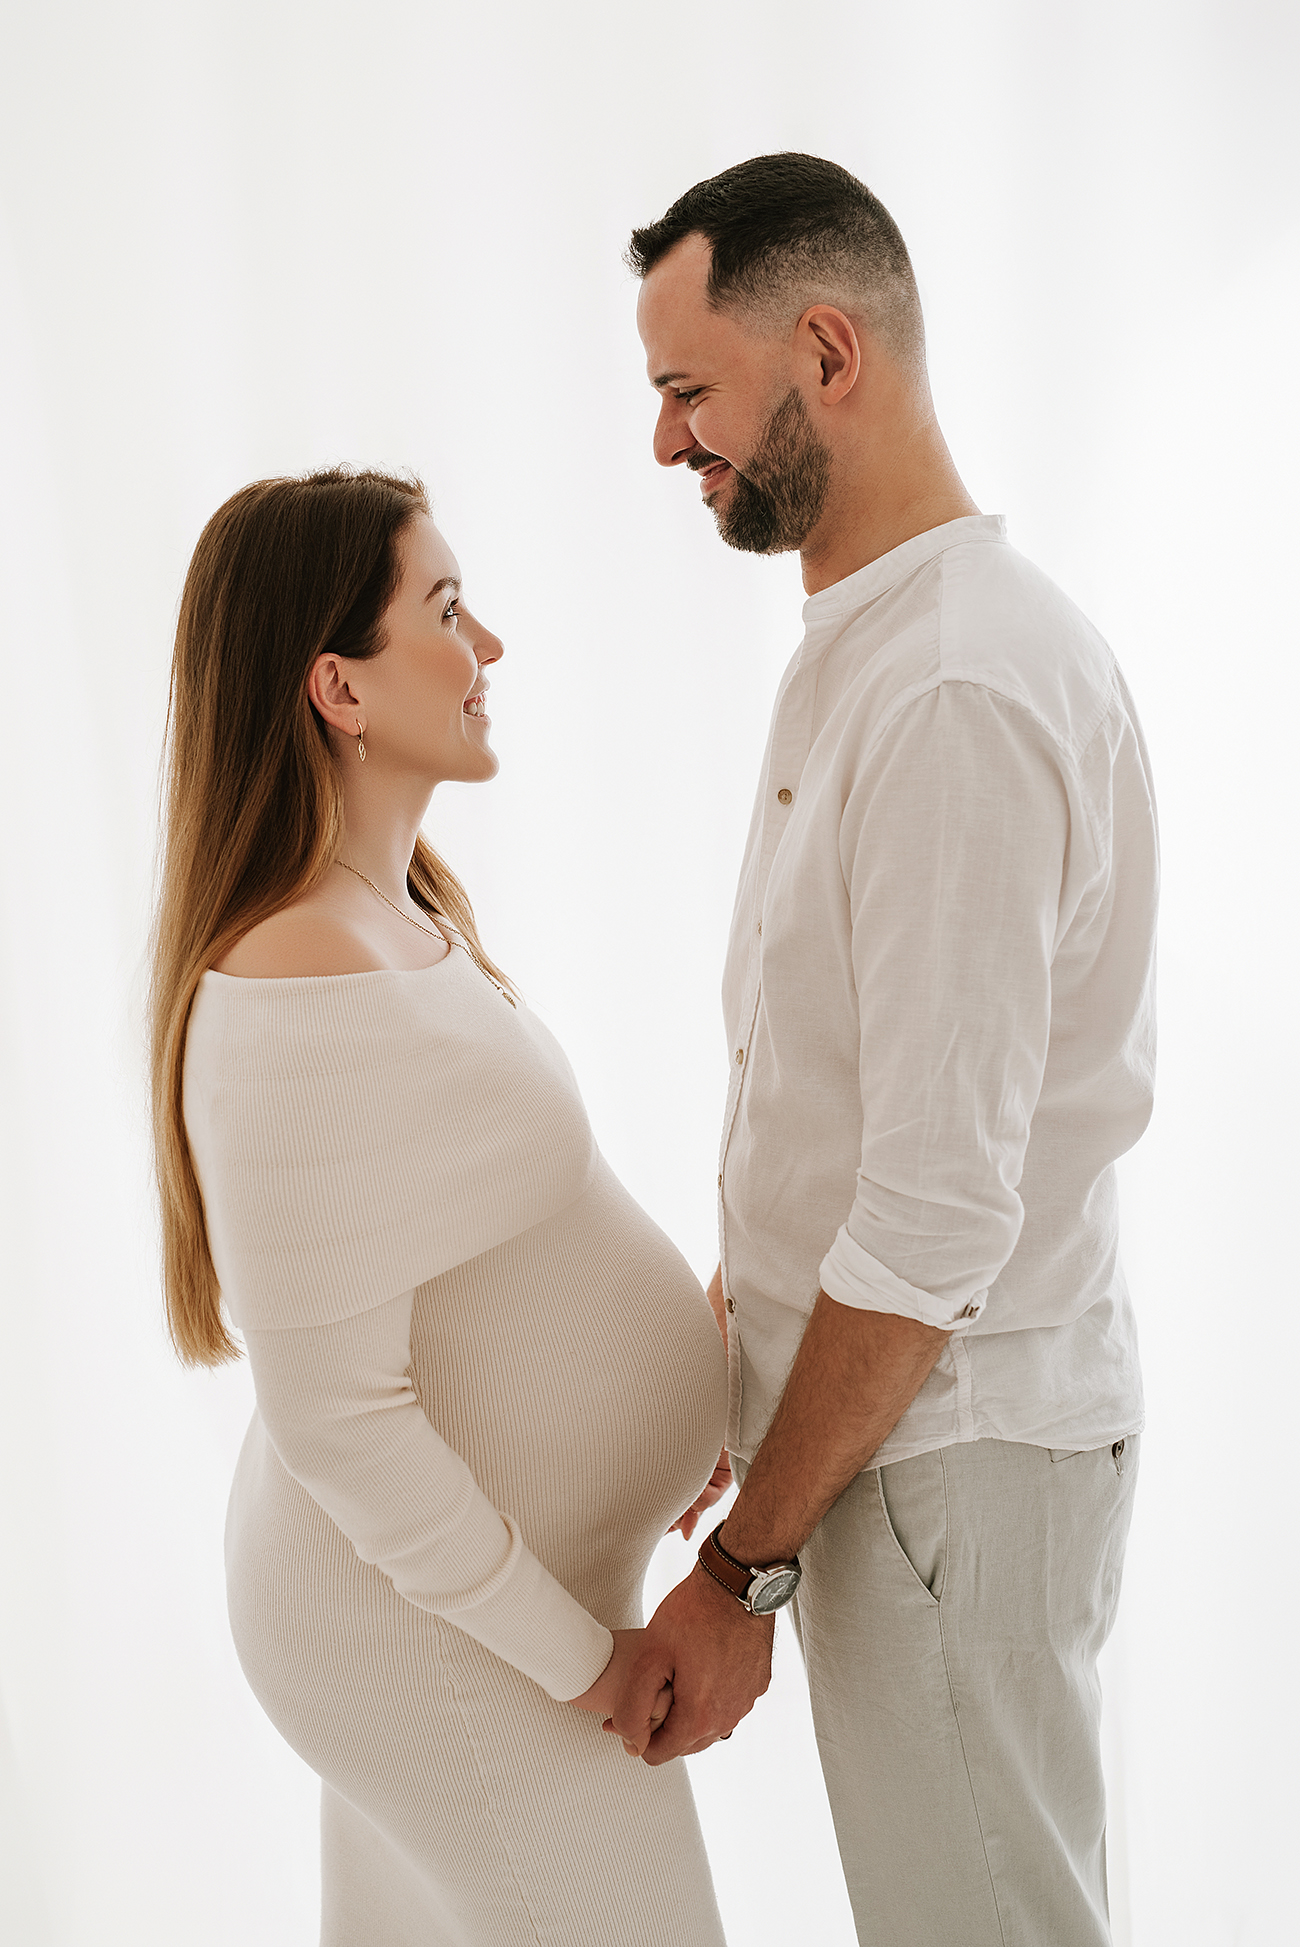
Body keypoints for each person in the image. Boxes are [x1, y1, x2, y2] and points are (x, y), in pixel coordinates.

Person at [609, 154, 1159, 1947]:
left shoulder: (946, 691)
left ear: (828, 352)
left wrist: (739, 1574)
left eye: (689, 390)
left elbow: (931, 1214)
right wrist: (747, 1364)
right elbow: (848, 1098)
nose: (669, 443)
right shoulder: (886, 645)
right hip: (908, 1448)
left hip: (943, 1457)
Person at [149, 467, 731, 1946]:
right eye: (449, 609)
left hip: (447, 1606)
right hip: (422, 1632)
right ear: (338, 685)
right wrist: (586, 1664)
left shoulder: (388, 916)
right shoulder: (298, 977)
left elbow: (488, 1249)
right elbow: (340, 1420)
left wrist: (687, 1378)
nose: (490, 648)